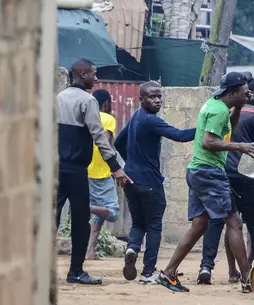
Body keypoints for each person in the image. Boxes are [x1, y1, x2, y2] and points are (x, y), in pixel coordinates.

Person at [158, 72, 254, 293]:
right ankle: (246, 279)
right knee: (234, 223)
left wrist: (240, 107)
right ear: (232, 93)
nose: (247, 95)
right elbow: (209, 142)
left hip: (198, 171)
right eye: (243, 93)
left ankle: (168, 272)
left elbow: (228, 131)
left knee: (199, 225)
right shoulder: (217, 111)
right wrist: (240, 147)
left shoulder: (218, 106)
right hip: (209, 172)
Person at [56, 59, 130, 285]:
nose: (95, 79)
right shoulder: (87, 101)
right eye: (93, 74)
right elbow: (100, 138)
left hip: (56, 169)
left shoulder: (58, 98)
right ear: (81, 73)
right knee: (80, 221)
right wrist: (116, 169)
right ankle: (75, 271)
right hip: (77, 171)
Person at [115, 81, 196, 284]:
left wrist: (130, 164)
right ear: (141, 99)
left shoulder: (136, 116)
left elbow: (118, 142)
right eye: (152, 97)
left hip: (131, 180)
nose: (157, 100)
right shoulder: (150, 120)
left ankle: (132, 248)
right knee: (154, 227)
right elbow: (180, 135)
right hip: (150, 182)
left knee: (139, 223)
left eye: (159, 96)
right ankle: (148, 273)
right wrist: (205, 127)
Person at [199, 80, 254, 285]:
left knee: (224, 222)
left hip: (224, 175)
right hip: (249, 178)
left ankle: (217, 268)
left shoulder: (224, 111)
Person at [86, 89, 121, 260]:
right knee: (112, 213)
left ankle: (89, 251)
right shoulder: (108, 119)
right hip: (102, 172)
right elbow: (106, 143)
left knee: (98, 216)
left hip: (84, 171)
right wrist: (117, 168)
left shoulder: (85, 116)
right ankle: (85, 208)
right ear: (106, 103)